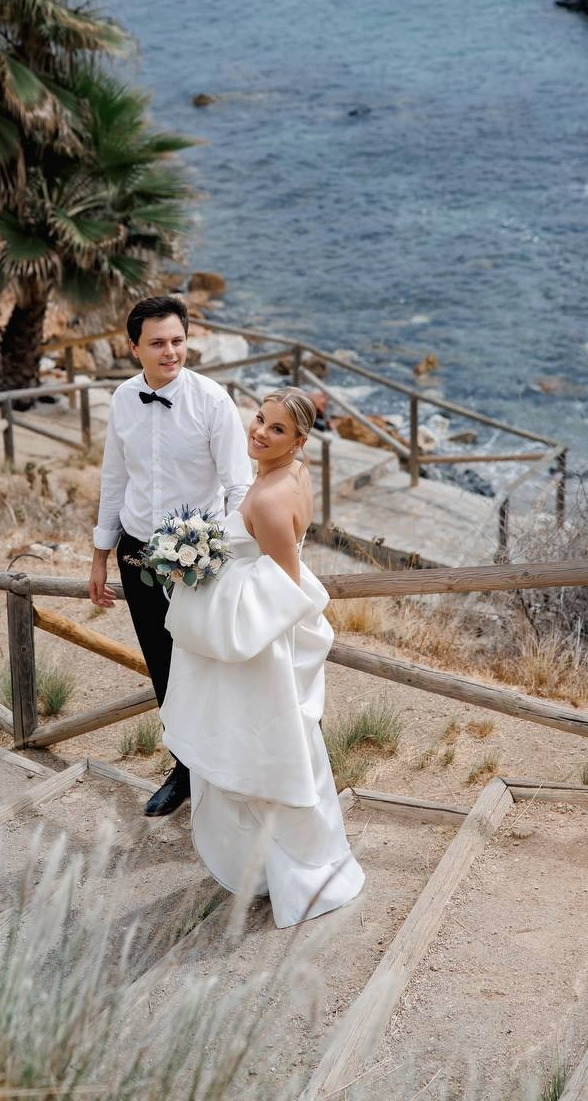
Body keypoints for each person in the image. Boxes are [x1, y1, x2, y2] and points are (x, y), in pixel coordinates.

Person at [160, 388, 365, 928]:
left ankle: (289, 871)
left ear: (299, 441)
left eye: (276, 429)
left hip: (262, 648)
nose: (258, 432)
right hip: (266, 641)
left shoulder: (273, 499)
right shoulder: (290, 475)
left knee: (262, 752)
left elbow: (283, 586)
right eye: (258, 419)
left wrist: (206, 575)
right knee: (275, 749)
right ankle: (269, 864)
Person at [89, 295, 253, 817]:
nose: (171, 352)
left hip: (199, 555)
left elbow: (239, 488)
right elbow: (114, 479)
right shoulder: (121, 399)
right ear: (133, 346)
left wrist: (223, 553)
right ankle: (182, 772)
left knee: (204, 664)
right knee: (161, 663)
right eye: (157, 343)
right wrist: (100, 555)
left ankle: (223, 772)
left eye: (178, 341)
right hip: (136, 551)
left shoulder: (212, 401)